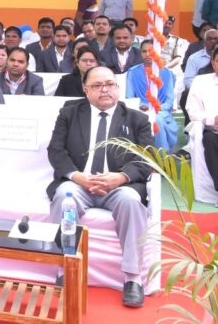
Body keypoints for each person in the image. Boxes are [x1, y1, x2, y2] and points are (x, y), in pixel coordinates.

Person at [46, 66, 153, 308]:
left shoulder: (137, 119)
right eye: (96, 85)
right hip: (79, 183)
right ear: (85, 89)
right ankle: (65, 267)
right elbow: (56, 151)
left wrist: (121, 177)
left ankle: (133, 277)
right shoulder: (70, 113)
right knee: (64, 197)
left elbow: (147, 159)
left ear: (117, 87)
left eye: (110, 84)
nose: (104, 90)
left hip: (118, 186)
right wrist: (77, 177)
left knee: (131, 201)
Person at [125, 40, 177, 151]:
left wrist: (156, 108)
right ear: (140, 53)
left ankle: (161, 156)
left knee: (157, 119)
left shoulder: (167, 73)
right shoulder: (133, 72)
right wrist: (142, 106)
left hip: (161, 111)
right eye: (144, 51)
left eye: (151, 51)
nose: (147, 54)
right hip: (140, 109)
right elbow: (129, 97)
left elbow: (169, 101)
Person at [186, 47, 218, 192]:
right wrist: (212, 119)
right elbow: (192, 112)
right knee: (210, 140)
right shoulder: (201, 82)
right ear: (213, 62)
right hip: (212, 130)